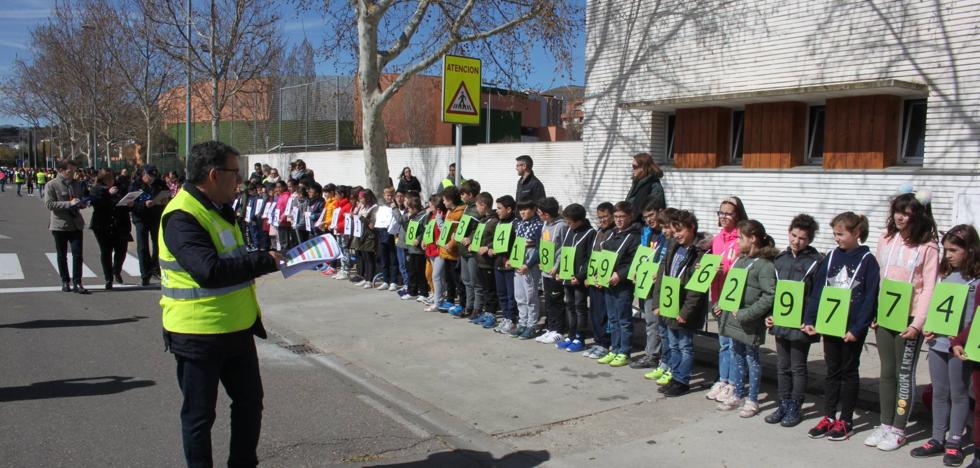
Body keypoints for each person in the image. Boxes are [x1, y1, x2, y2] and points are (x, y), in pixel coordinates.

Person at [159, 141, 281, 467]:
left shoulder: (220, 208)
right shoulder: (181, 216)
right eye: (234, 174)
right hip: (197, 334)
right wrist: (265, 261)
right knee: (200, 416)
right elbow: (208, 271)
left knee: (249, 403)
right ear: (214, 175)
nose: (238, 181)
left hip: (237, 329)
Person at [866, 190, 940, 451]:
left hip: (909, 318)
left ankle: (899, 428)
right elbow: (877, 277)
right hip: (885, 314)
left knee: (903, 373)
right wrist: (873, 312)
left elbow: (930, 287)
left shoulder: (928, 246)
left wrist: (917, 323)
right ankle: (885, 424)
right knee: (886, 372)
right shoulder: (886, 238)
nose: (900, 217)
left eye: (907, 213)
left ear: (917, 216)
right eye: (898, 210)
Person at [803, 212, 880, 441]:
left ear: (856, 233)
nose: (836, 238)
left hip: (851, 327)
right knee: (832, 372)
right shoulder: (832, 256)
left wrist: (858, 328)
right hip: (830, 323)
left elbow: (870, 297)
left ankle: (846, 420)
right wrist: (811, 319)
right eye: (835, 234)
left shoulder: (868, 261)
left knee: (848, 372)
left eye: (841, 234)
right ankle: (829, 415)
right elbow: (818, 290)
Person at [917, 224, 979, 465]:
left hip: (960, 346)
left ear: (970, 249)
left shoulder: (976, 279)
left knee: (959, 393)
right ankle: (936, 438)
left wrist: (961, 340)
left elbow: (975, 318)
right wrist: (929, 326)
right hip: (938, 343)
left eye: (954, 250)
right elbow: (939, 306)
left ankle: (955, 441)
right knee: (940, 393)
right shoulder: (945, 274)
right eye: (946, 250)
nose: (949, 255)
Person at [764, 214, 823, 427]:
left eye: (802, 238)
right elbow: (775, 292)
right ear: (789, 232)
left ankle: (795, 406)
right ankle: (783, 402)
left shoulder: (816, 262)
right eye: (794, 235)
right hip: (781, 321)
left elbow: (817, 295)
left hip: (801, 324)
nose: (796, 241)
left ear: (810, 240)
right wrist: (770, 314)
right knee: (782, 365)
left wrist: (811, 321)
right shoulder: (780, 259)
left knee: (797, 367)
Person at [716, 220, 778, 417]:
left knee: (752, 359)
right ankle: (738, 393)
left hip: (749, 322)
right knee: (737, 356)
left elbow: (770, 295)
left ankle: (752, 399)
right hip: (734, 320)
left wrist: (747, 313)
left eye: (740, 238)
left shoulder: (765, 266)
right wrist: (722, 304)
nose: (737, 242)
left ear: (752, 239)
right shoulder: (740, 260)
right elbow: (731, 288)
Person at [649, 210, 711, 397]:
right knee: (673, 344)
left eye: (680, 230)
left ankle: (682, 380)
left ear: (692, 228)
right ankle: (675, 376)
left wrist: (685, 311)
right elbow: (662, 275)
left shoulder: (701, 252)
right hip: (669, 303)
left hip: (685, 308)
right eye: (674, 231)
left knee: (684, 345)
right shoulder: (673, 246)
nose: (676, 235)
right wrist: (657, 302)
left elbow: (697, 289)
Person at [707, 196, 750, 403]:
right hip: (719, 298)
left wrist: (726, 269)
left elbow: (745, 268)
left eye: (728, 213)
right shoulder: (717, 239)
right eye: (721, 212)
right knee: (723, 343)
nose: (724, 216)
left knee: (734, 344)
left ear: (738, 215)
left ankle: (734, 383)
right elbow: (713, 267)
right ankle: (722, 379)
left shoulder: (742, 240)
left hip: (734, 299)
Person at [595, 201, 640, 367]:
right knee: (612, 318)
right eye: (616, 216)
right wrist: (600, 275)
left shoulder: (634, 236)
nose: (619, 220)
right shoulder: (613, 233)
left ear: (630, 216)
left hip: (623, 284)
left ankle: (624, 351)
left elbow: (635, 261)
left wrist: (620, 275)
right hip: (609, 282)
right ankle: (614, 348)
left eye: (622, 216)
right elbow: (606, 256)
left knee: (624, 319)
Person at [630, 202, 671, 369]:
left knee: (663, 324)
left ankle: (661, 357)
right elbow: (643, 256)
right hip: (647, 281)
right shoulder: (646, 232)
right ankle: (652, 354)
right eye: (645, 217)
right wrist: (635, 271)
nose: (649, 220)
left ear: (660, 212)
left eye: (651, 215)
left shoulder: (667, 235)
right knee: (651, 321)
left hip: (662, 283)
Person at [45, 160, 90, 294]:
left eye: (74, 171)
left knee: (78, 254)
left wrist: (82, 203)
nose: (72, 174)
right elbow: (49, 204)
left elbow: (80, 198)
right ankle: (65, 281)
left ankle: (78, 282)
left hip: (76, 224)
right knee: (61, 255)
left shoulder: (76, 184)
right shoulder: (51, 185)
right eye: (70, 171)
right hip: (60, 224)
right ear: (61, 170)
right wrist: (68, 204)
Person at [555, 204, 596, 352]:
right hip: (566, 276)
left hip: (578, 279)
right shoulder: (569, 231)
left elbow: (591, 258)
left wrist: (580, 276)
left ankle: (580, 337)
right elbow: (564, 252)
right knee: (569, 306)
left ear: (579, 220)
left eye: (570, 222)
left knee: (580, 307)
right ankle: (571, 335)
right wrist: (559, 271)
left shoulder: (590, 233)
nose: (568, 224)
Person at [89, 169, 132, 289]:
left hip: (120, 223)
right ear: (102, 179)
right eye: (108, 179)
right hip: (102, 224)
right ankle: (108, 278)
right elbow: (96, 203)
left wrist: (130, 204)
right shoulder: (96, 189)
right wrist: (108, 194)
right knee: (106, 251)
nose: (111, 181)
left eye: (112, 178)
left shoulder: (120, 187)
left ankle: (116, 269)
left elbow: (125, 201)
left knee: (122, 250)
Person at [535, 197, 569, 345]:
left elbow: (563, 249)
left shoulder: (561, 226)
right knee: (548, 300)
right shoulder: (545, 225)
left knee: (557, 300)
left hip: (555, 271)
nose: (538, 214)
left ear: (546, 214)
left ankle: (559, 330)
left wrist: (557, 267)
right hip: (545, 270)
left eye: (539, 212)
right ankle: (551, 327)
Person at [510, 199, 544, 338]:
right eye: (521, 209)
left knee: (531, 295)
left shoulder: (539, 226)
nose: (523, 212)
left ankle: (532, 324)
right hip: (518, 262)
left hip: (530, 264)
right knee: (519, 295)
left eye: (526, 209)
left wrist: (528, 264)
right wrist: (512, 260)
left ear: (534, 209)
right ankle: (522, 322)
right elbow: (516, 244)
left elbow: (540, 249)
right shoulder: (519, 224)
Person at [131, 165, 169, 286]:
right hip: (140, 217)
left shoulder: (160, 183)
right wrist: (144, 204)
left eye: (154, 176)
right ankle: (145, 274)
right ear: (144, 175)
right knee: (142, 246)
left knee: (158, 244)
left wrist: (164, 200)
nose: (152, 179)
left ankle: (154, 268)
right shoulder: (136, 185)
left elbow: (167, 194)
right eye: (150, 176)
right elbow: (131, 202)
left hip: (155, 216)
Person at [490, 195, 518, 332]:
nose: (497, 211)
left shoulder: (516, 224)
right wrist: (492, 249)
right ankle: (506, 318)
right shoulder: (499, 223)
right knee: (501, 293)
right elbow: (497, 241)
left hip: (509, 265)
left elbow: (516, 244)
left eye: (500, 208)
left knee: (511, 295)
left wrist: (510, 257)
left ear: (509, 209)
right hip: (498, 263)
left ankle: (513, 320)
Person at [625, 153, 666, 223]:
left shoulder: (654, 185)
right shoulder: (636, 183)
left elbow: (655, 211)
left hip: (644, 227)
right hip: (632, 225)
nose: (632, 169)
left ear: (643, 167)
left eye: (634, 166)